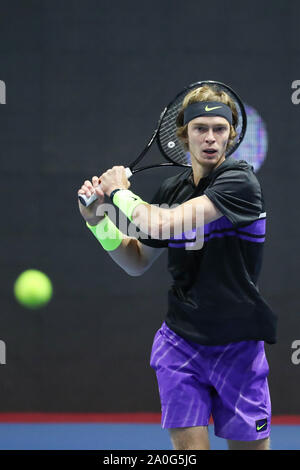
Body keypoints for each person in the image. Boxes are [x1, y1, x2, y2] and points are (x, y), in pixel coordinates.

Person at [78, 84, 277, 450]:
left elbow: (159, 224)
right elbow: (136, 260)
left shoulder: (240, 182)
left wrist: (119, 191)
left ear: (231, 136)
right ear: (184, 136)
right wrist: (98, 222)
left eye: (220, 129)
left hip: (239, 346)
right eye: (201, 128)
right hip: (181, 344)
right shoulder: (172, 190)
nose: (211, 138)